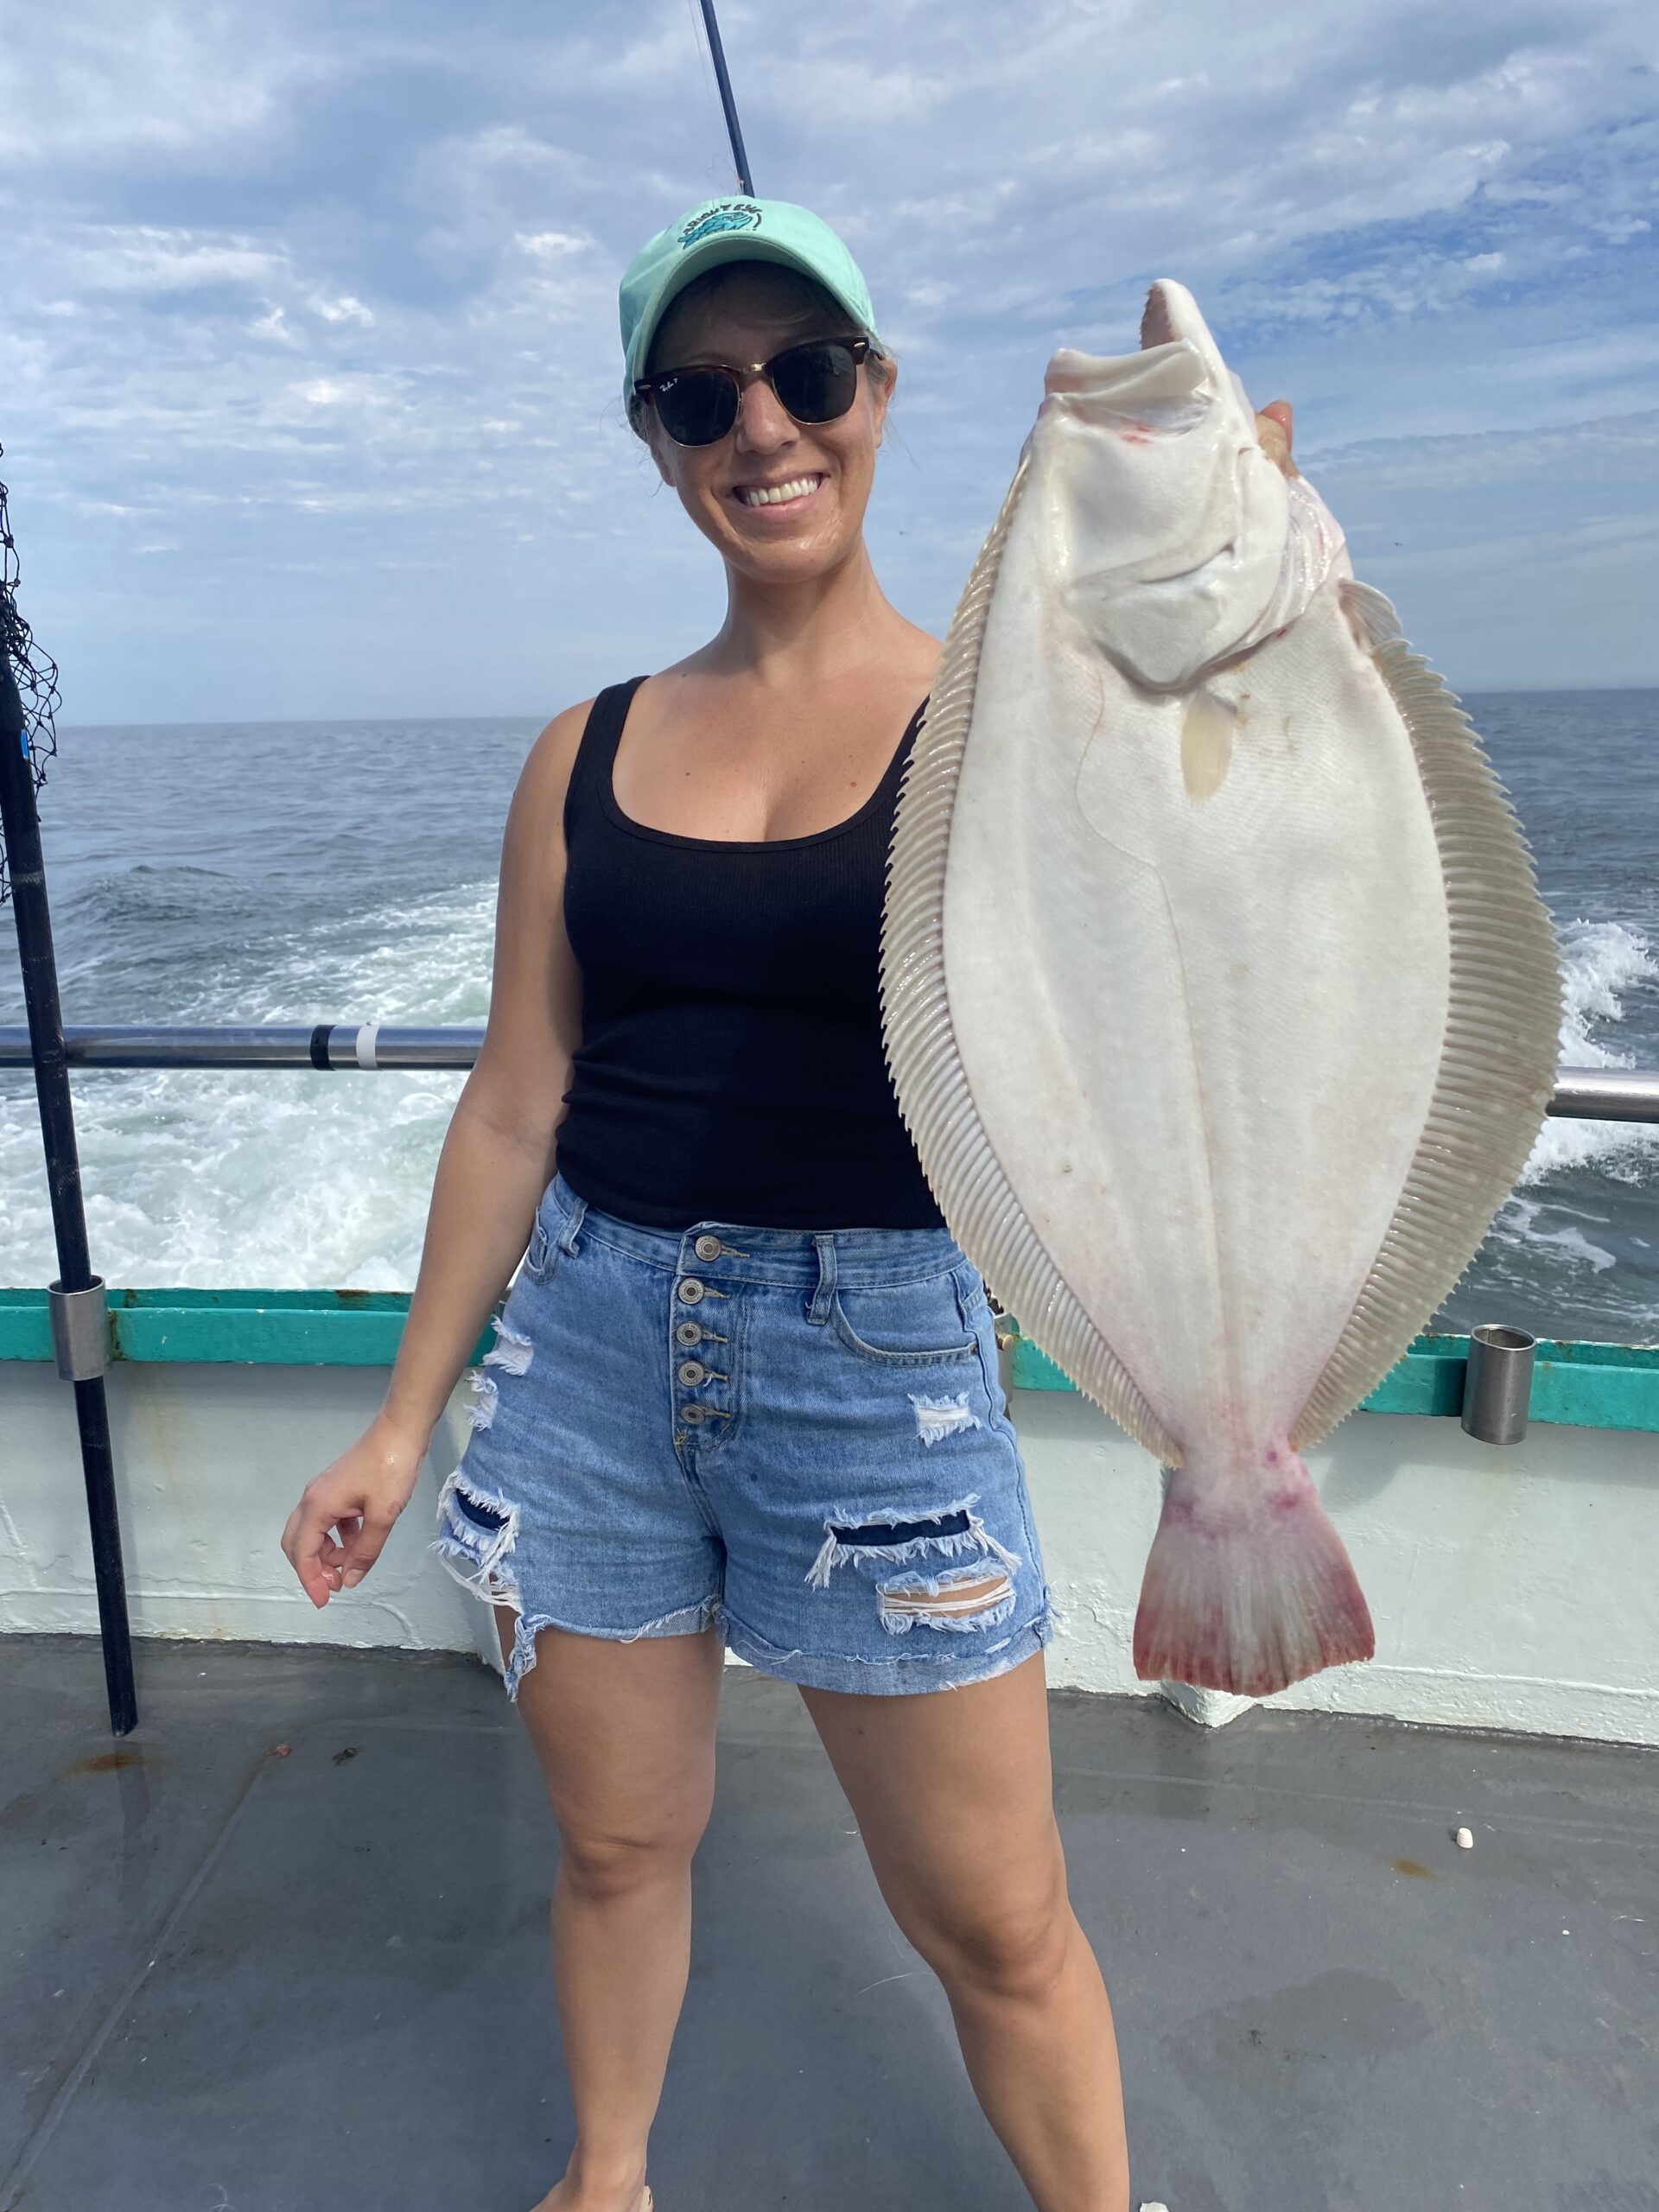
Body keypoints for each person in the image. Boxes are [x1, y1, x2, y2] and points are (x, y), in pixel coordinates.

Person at [282, 194, 1300, 2212]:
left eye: (805, 374)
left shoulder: (1011, 723)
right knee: (617, 1843)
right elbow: (514, 1101)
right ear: (659, 441)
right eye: (701, 393)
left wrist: (1239, 642)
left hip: (879, 1356)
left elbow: (1208, 914)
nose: (764, 425)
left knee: (998, 1918)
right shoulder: (578, 750)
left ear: (880, 396)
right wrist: (406, 1415)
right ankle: (610, 2173)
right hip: (582, 1355)